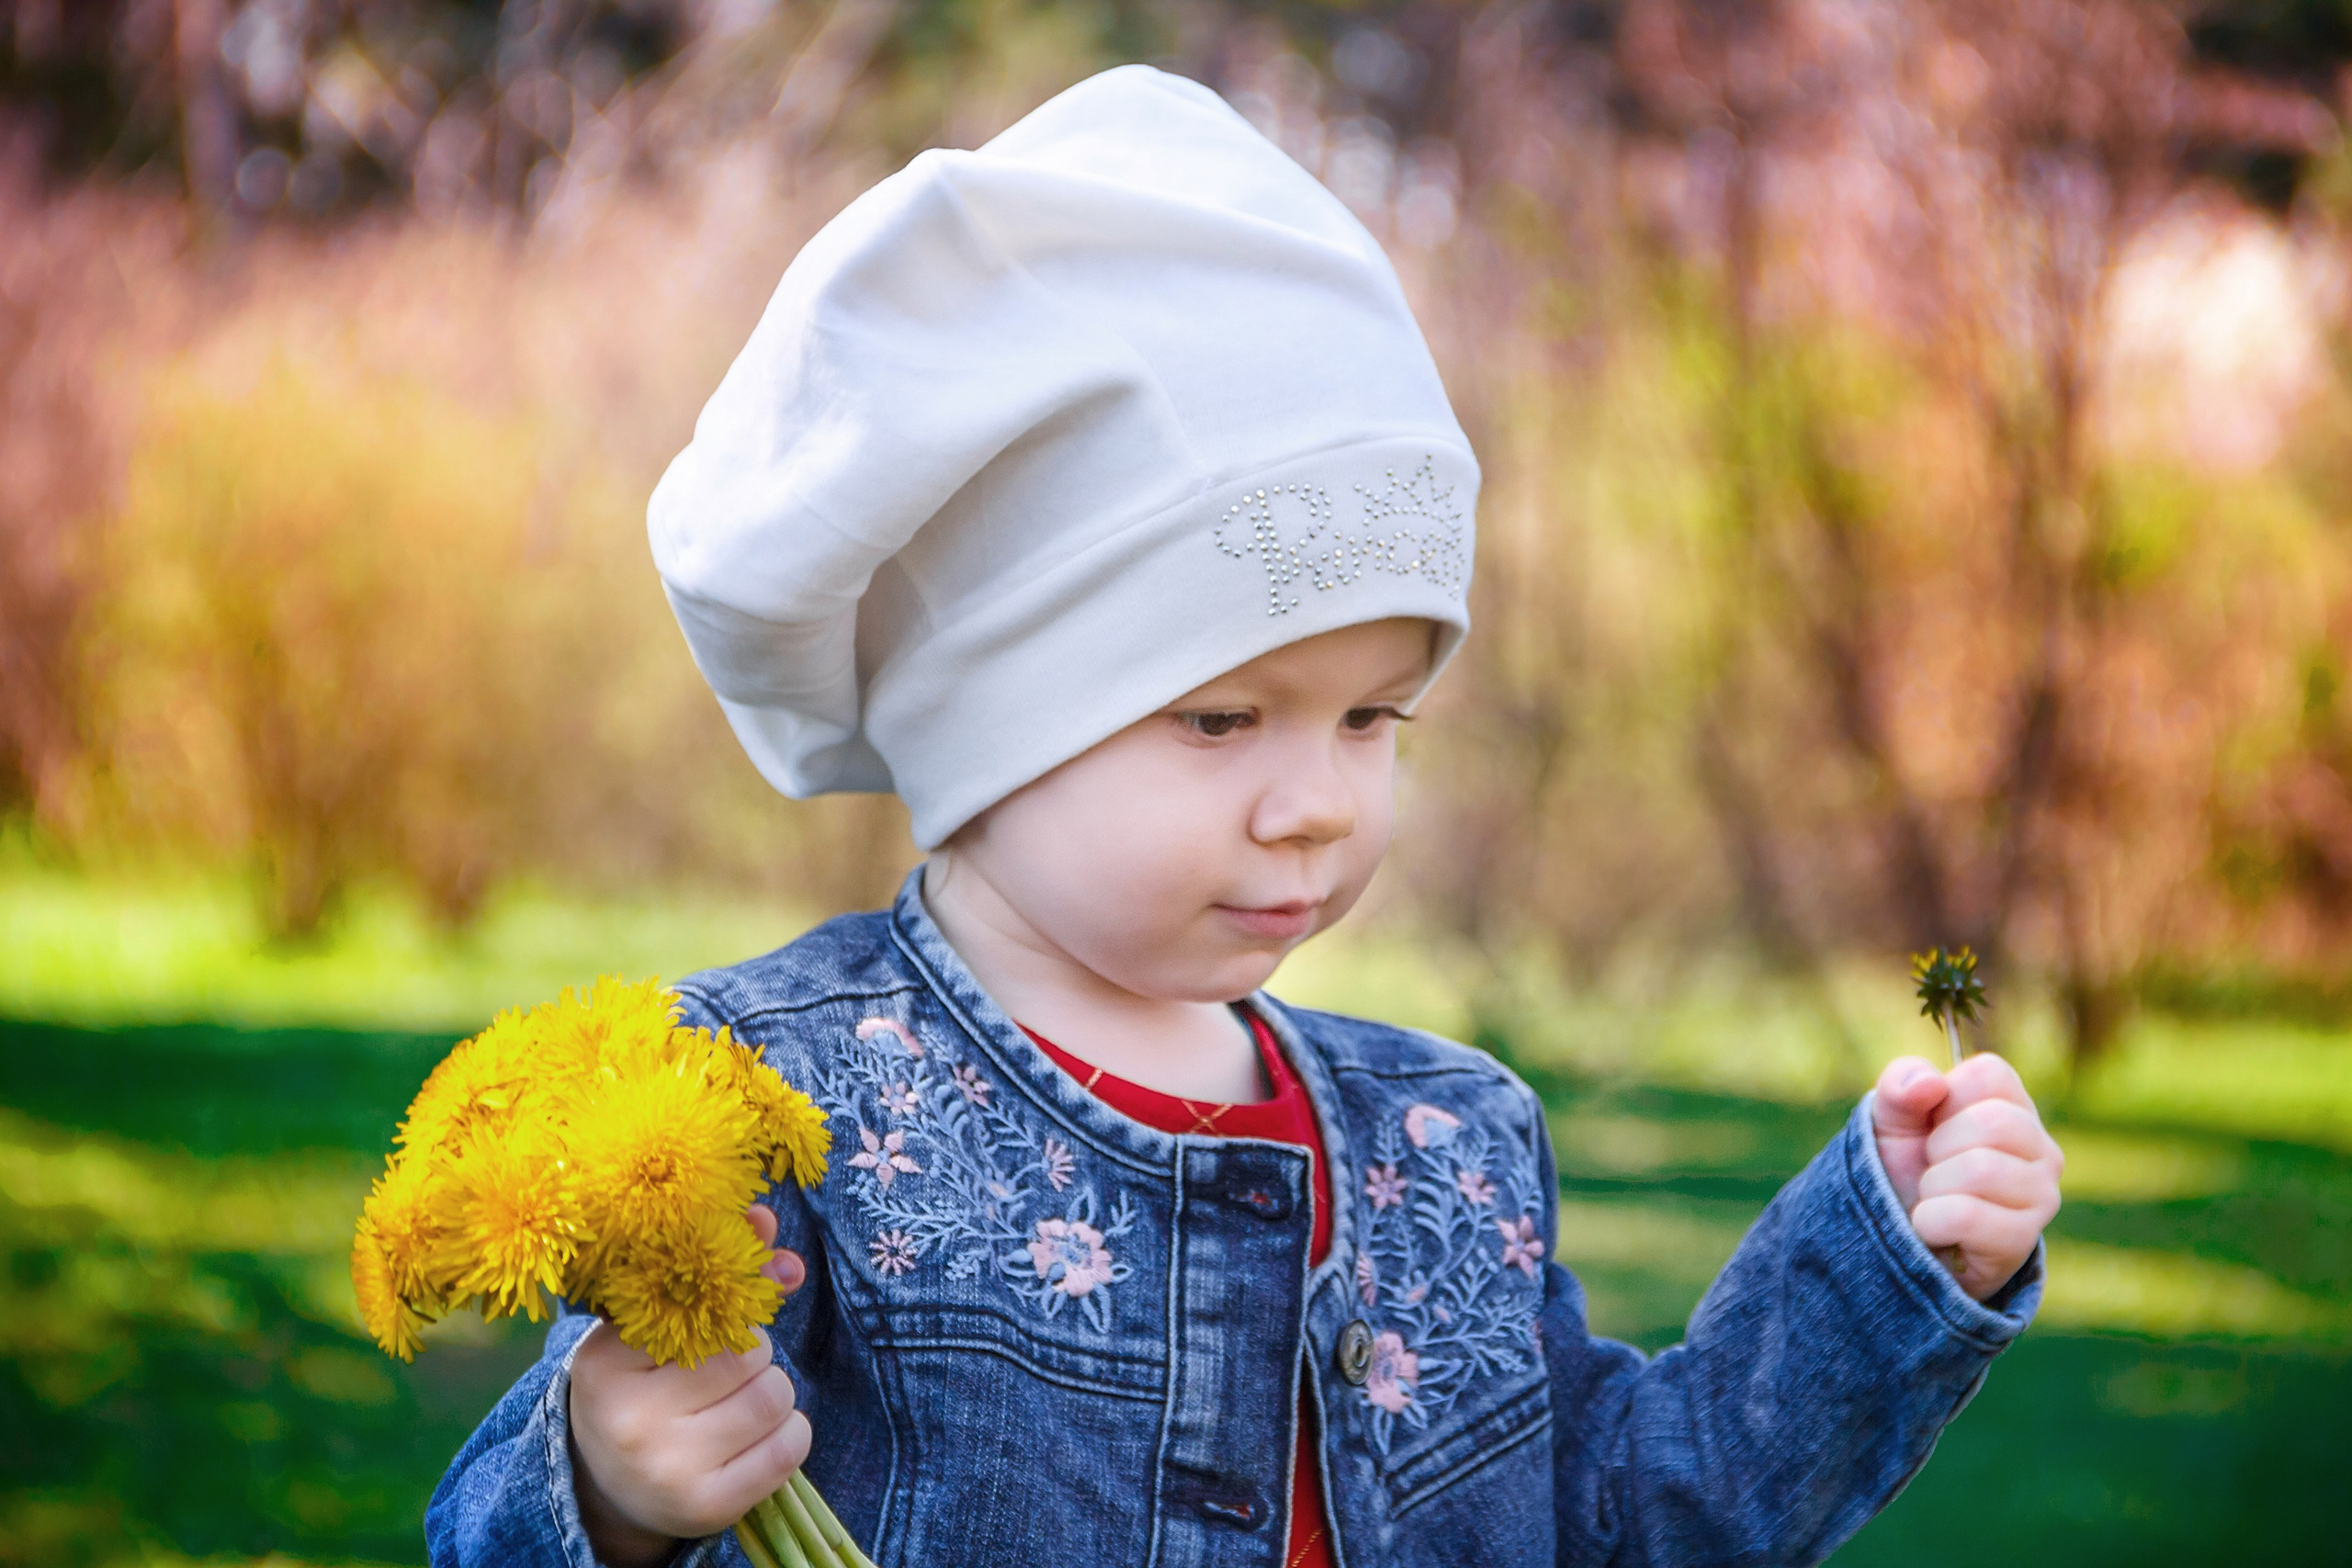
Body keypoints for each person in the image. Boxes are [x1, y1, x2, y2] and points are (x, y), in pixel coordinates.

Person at [424, 63, 2063, 1568]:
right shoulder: (773, 1110)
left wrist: (1887, 1274)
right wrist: (605, 1487)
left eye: (1373, 718)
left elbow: (1614, 1517)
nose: (1316, 805)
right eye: (1221, 720)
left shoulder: (1446, 1143)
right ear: (987, 721)